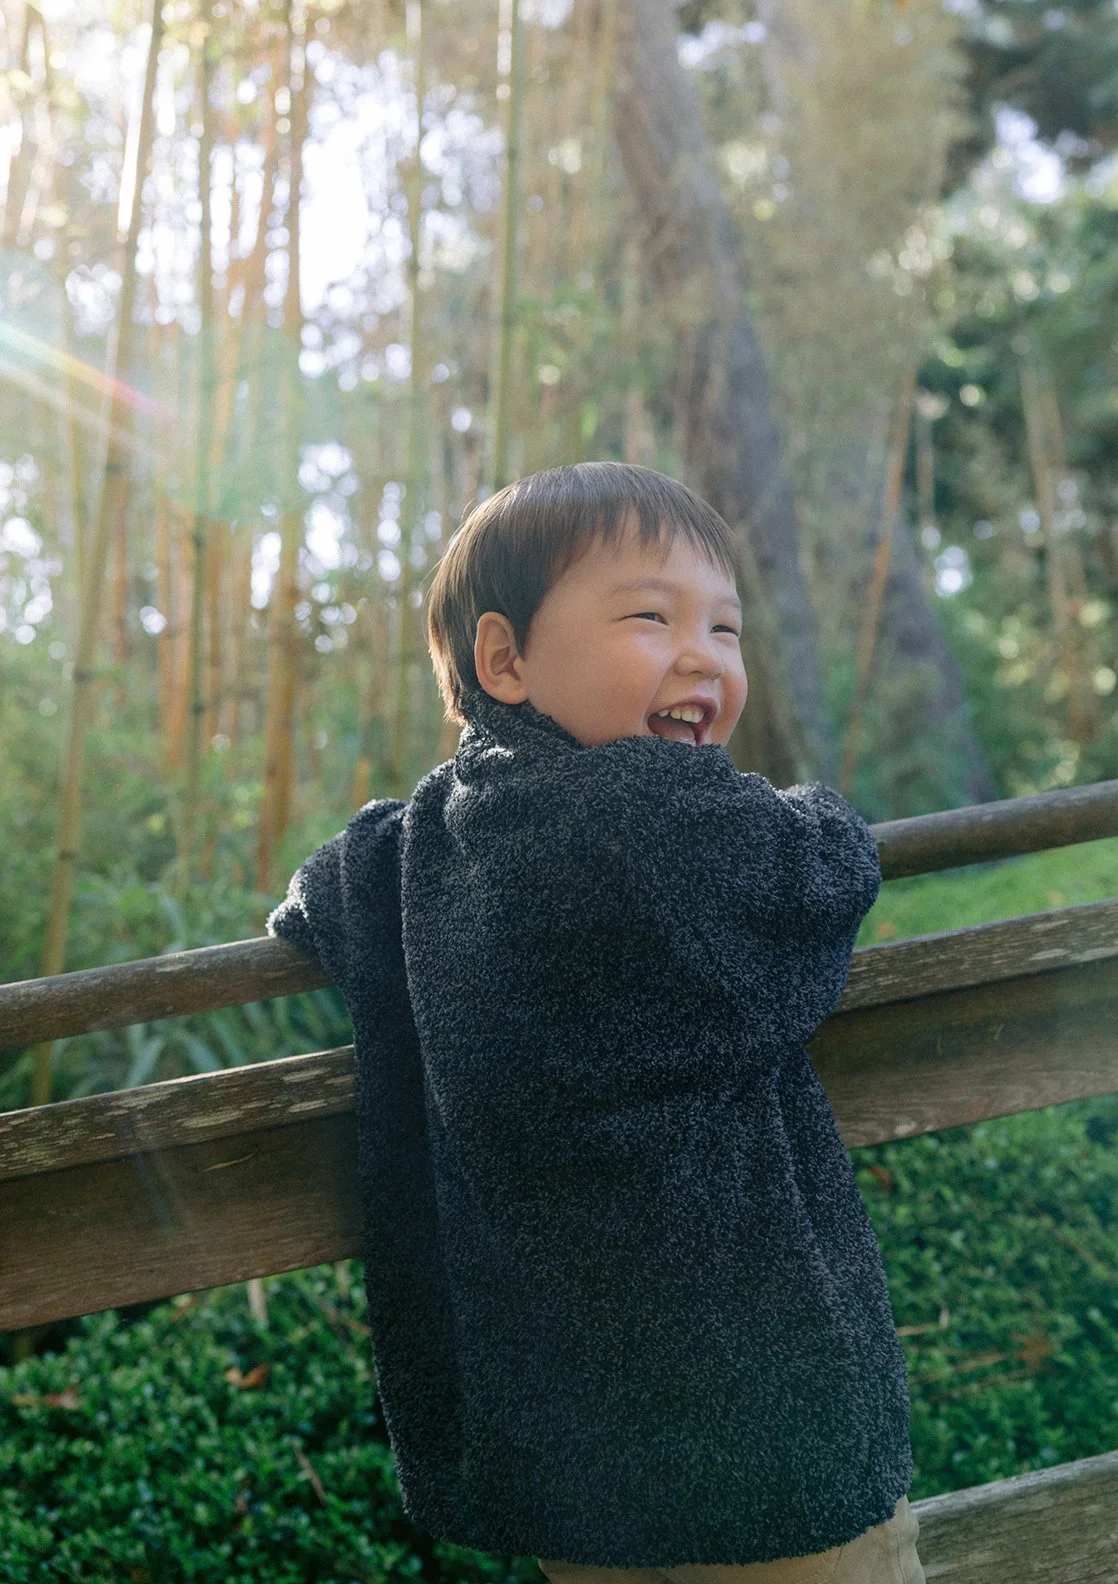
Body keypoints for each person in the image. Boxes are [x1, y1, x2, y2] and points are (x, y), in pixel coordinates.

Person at [268, 461, 922, 1584]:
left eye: (725, 628)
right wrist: (807, 809)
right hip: (761, 1415)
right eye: (648, 616)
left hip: (573, 1452)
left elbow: (320, 896)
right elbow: (819, 867)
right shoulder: (659, 813)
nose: (702, 658)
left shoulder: (424, 840)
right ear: (503, 659)